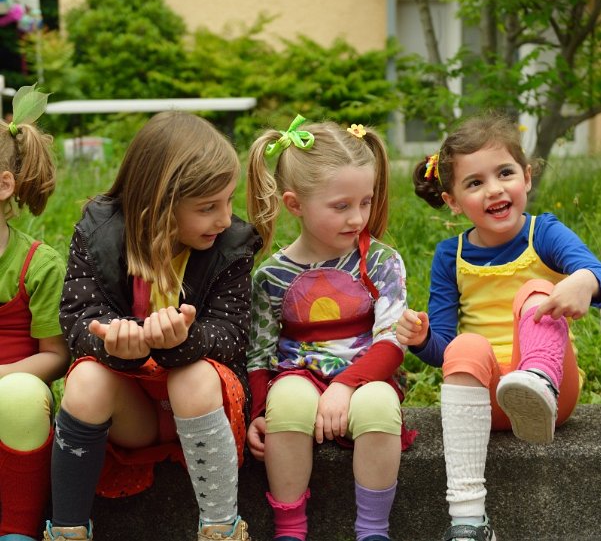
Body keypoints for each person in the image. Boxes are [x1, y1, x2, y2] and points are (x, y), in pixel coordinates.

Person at [44, 111, 262, 541]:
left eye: (228, 201)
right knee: (86, 377)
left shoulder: (230, 245)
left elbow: (235, 334)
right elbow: (76, 319)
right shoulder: (99, 233)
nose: (224, 219)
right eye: (207, 208)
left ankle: (221, 529)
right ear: (158, 204)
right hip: (135, 411)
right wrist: (112, 344)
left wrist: (185, 339)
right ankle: (67, 531)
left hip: (205, 406)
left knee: (192, 375)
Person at [395, 113, 601, 541]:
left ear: (525, 178)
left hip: (552, 396)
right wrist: (422, 340)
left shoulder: (543, 233)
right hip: (487, 400)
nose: (494, 189)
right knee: (467, 344)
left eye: (505, 173)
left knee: (536, 293)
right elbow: (445, 352)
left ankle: (535, 381)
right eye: (474, 183)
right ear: (452, 201)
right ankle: (468, 519)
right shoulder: (449, 256)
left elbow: (592, 273)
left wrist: (585, 279)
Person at [245, 115, 416, 541]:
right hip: (298, 374)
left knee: (378, 407)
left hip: (368, 373)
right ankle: (290, 528)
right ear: (295, 204)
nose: (358, 217)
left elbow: (392, 341)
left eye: (366, 201)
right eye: (341, 206)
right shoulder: (272, 276)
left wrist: (346, 385)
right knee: (287, 403)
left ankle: (373, 530)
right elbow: (261, 352)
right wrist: (258, 411)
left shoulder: (381, 261)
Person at [0, 85, 70, 541]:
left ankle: (18, 530)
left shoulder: (37, 265)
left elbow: (56, 356)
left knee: (20, 396)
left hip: (16, 392)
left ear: (4, 184)